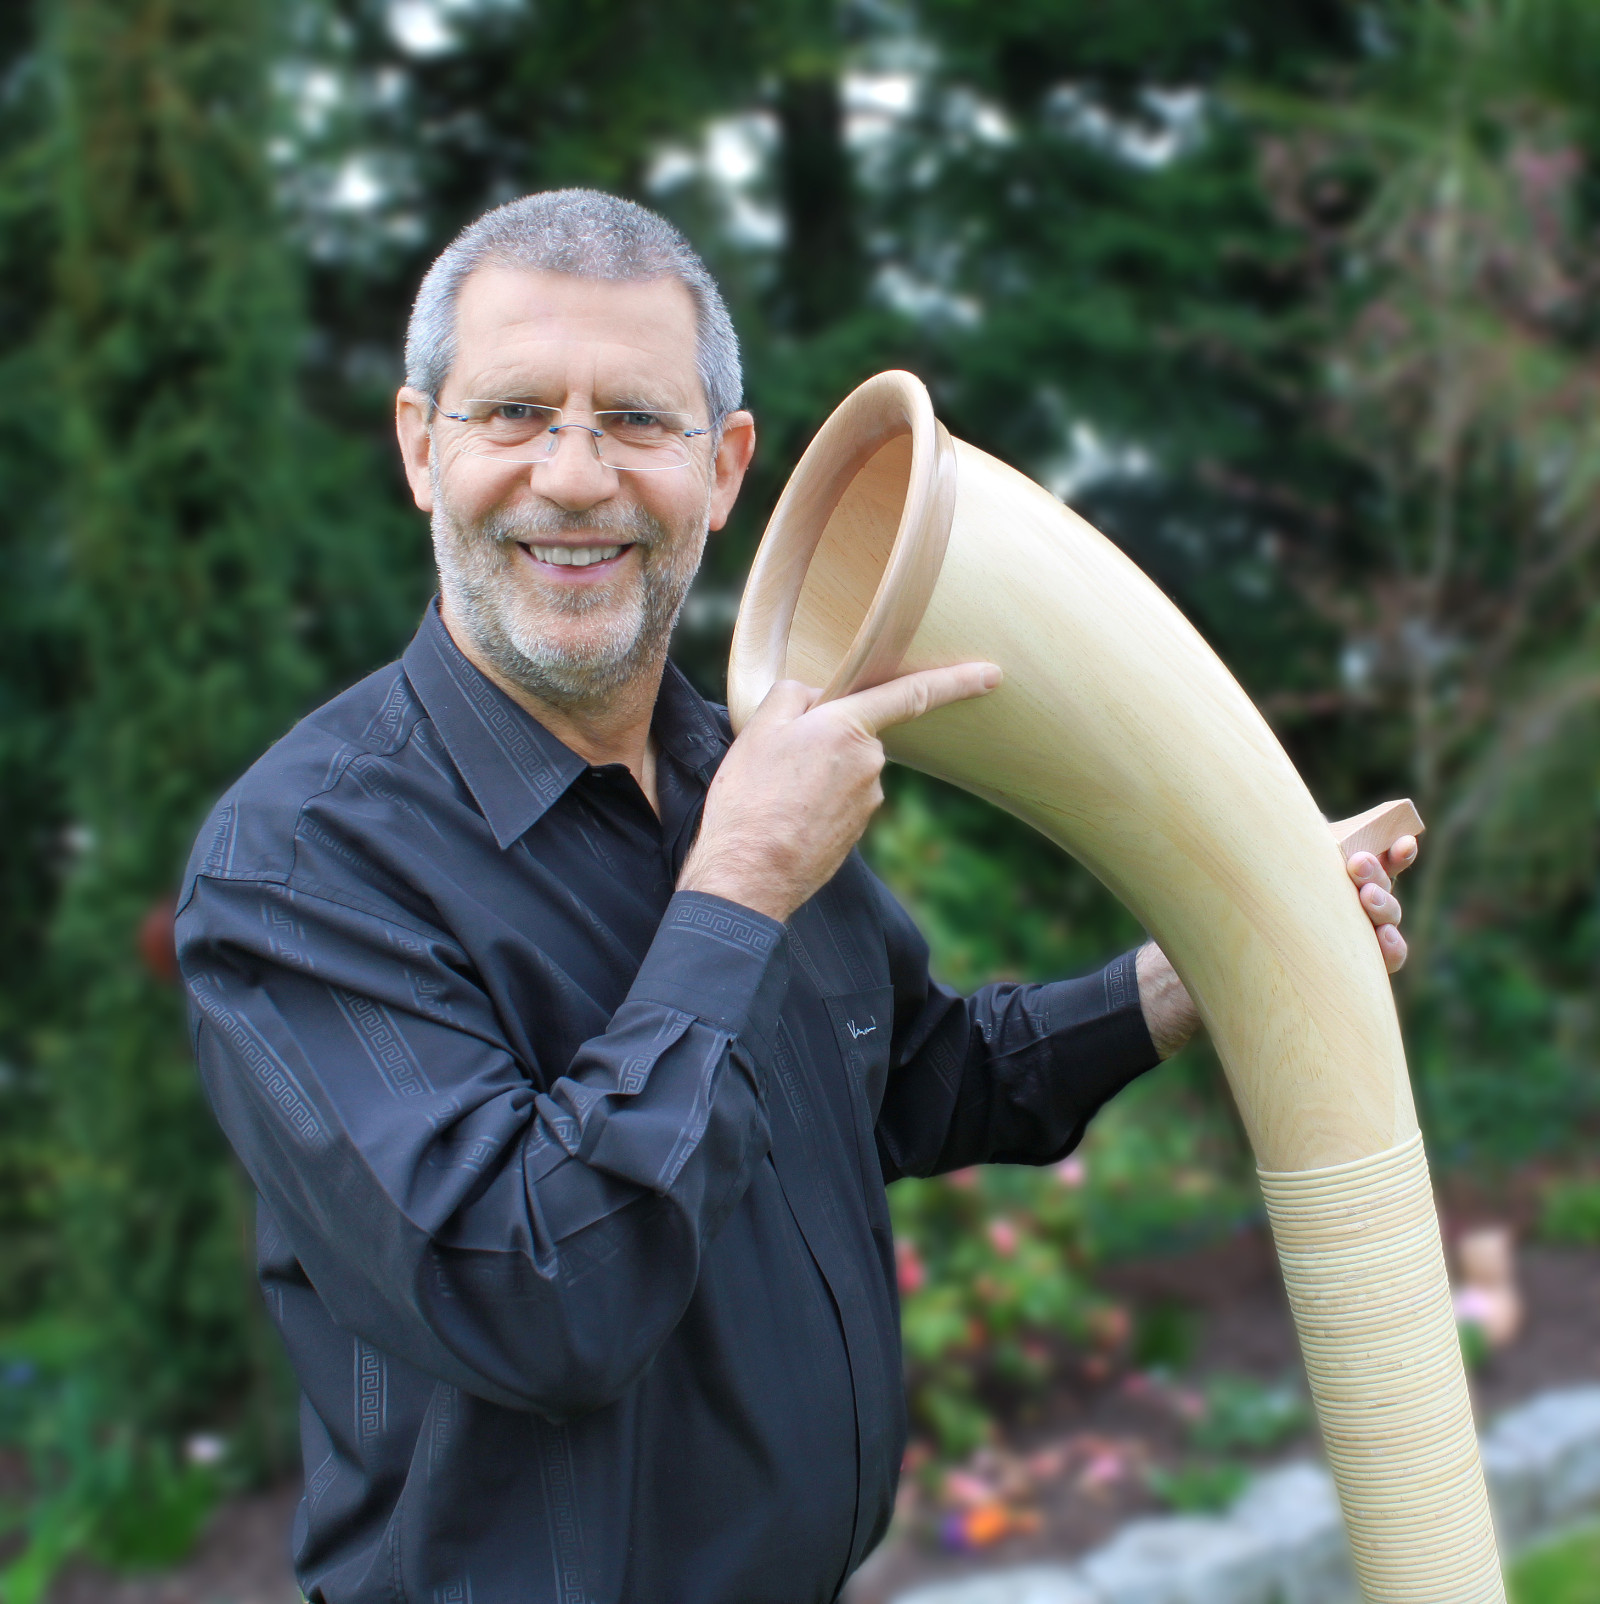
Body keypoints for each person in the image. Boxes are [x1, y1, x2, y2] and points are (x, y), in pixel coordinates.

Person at [175, 190, 1414, 1604]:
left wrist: (1186, 974)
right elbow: (534, 1295)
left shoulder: (741, 767)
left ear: (723, 469)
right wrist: (741, 885)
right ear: (419, 447)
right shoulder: (299, 864)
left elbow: (915, 1080)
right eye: (514, 414)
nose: (573, 478)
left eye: (636, 421)